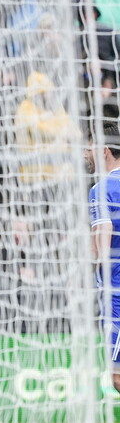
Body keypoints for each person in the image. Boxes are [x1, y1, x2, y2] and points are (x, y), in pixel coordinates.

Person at [87, 122, 120, 396]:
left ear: (105, 150)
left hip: (117, 293)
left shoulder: (102, 188)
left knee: (118, 377)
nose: (87, 154)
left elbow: (103, 235)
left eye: (90, 148)